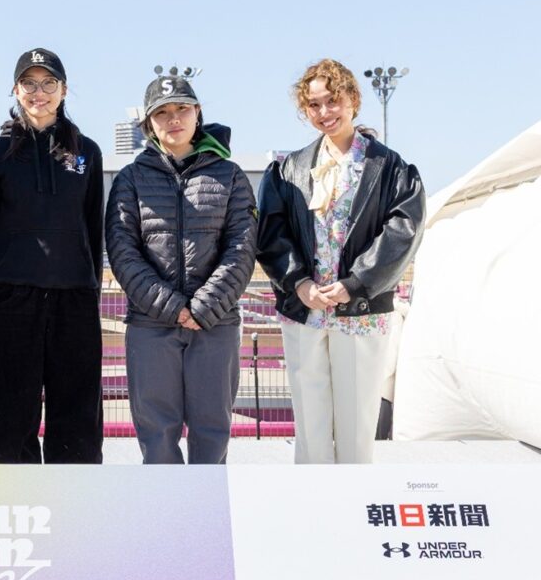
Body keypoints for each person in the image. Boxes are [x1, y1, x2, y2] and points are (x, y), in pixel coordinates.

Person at [256, 58, 425, 464]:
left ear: (353, 99)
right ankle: (314, 501)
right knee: (310, 429)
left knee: (355, 428)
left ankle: (353, 498)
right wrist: (298, 283)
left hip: (361, 310)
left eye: (332, 100)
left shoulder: (390, 167)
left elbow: (404, 230)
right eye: (313, 105)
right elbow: (272, 233)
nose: (324, 112)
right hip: (306, 310)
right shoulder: (290, 168)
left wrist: (355, 283)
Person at [106, 73, 256, 464]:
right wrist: (172, 307)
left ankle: (207, 506)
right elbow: (123, 252)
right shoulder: (131, 180)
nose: (174, 118)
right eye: (162, 113)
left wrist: (204, 307)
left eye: (182, 109)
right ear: (148, 124)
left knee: (212, 433)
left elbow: (240, 249)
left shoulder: (230, 176)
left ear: (198, 112)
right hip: (151, 324)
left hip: (215, 324)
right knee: (156, 436)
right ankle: (164, 505)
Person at [0, 47, 104, 463]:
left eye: (49, 83)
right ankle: (13, 492)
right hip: (14, 296)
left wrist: (90, 287)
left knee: (77, 410)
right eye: (29, 83)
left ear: (64, 90)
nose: (39, 92)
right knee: (11, 409)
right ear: (15, 90)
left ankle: (76, 494)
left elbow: (93, 227)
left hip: (74, 296)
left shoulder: (87, 152)